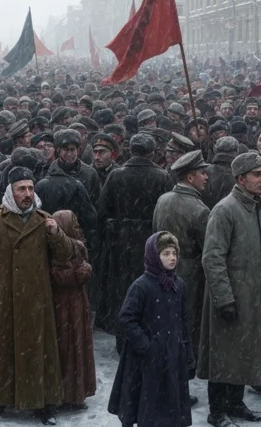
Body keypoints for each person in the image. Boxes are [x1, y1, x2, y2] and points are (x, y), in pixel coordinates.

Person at [0, 166, 72, 425]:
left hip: (37, 298)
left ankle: (42, 404)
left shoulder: (44, 219)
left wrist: (56, 233)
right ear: (10, 191)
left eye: (30, 188)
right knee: (0, 352)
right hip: (3, 298)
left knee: (39, 352)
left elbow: (65, 256)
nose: (27, 194)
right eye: (21, 189)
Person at [199, 152, 261, 427]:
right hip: (230, 296)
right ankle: (216, 410)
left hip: (253, 296)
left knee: (243, 352)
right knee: (223, 356)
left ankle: (235, 402)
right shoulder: (225, 209)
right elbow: (212, 257)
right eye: (257, 175)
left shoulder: (257, 206)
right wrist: (224, 299)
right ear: (241, 179)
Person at [107, 232, 194, 427]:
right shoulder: (141, 286)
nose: (172, 258)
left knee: (170, 405)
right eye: (165, 253)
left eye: (174, 253)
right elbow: (126, 319)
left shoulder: (178, 285)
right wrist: (146, 346)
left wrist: (187, 351)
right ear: (154, 256)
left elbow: (183, 321)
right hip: (146, 360)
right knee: (147, 404)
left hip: (172, 355)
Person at [95, 133, 172, 348]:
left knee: (121, 289)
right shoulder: (162, 177)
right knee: (148, 288)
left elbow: (102, 210)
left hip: (119, 240)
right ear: (152, 152)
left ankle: (123, 334)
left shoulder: (116, 175)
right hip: (149, 239)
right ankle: (145, 334)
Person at [152, 150, 210, 351]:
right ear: (190, 177)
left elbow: (155, 235)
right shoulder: (200, 209)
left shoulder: (163, 200)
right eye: (202, 173)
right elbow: (207, 250)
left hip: (161, 271)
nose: (206, 177)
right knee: (186, 322)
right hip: (189, 276)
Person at [49, 210, 96, 409]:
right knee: (69, 348)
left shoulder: (77, 246)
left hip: (74, 303)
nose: (77, 228)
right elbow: (55, 275)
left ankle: (73, 392)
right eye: (74, 224)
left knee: (75, 347)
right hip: (64, 304)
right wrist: (79, 273)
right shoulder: (56, 248)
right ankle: (68, 392)